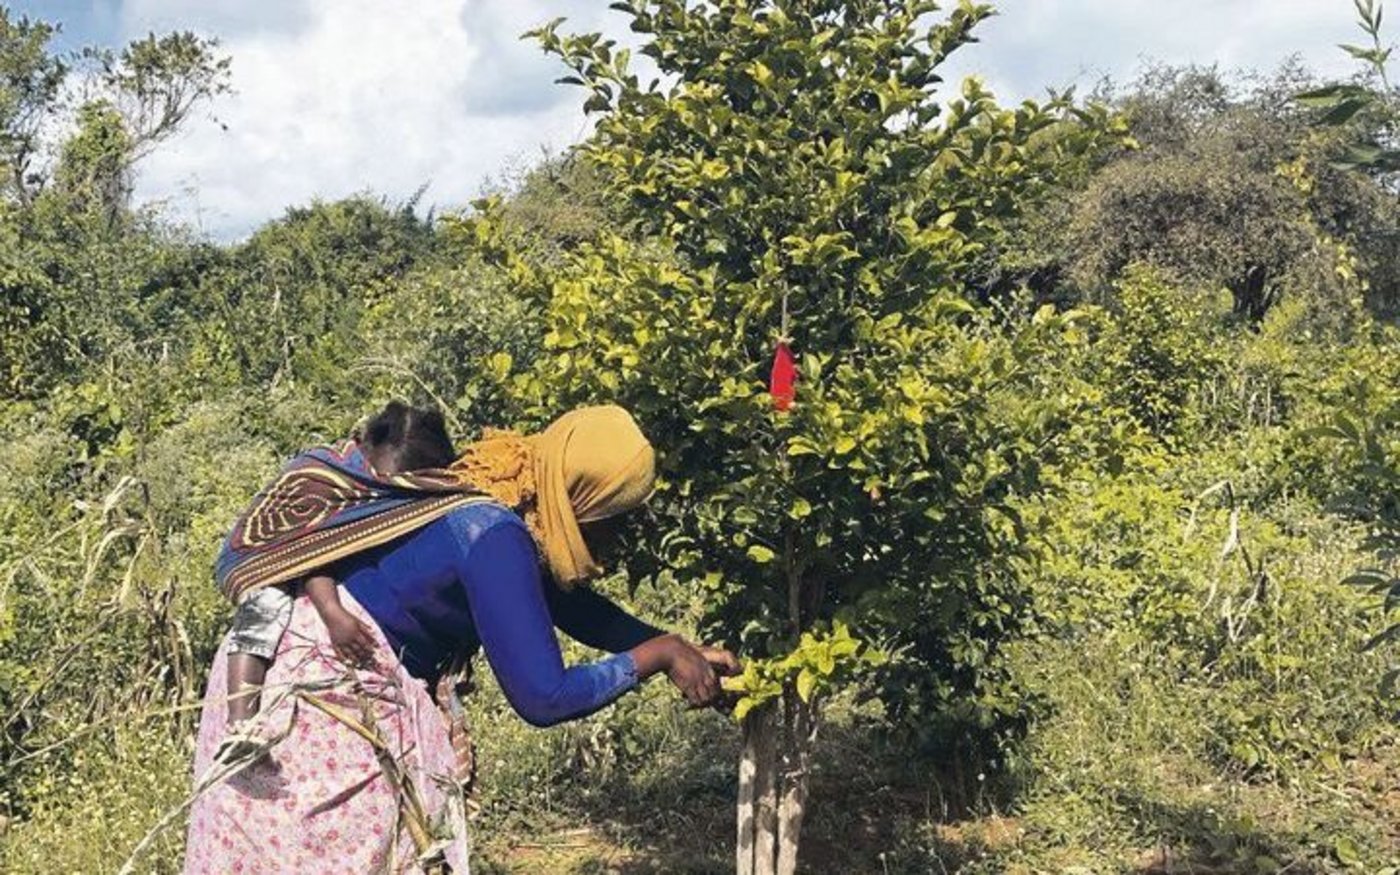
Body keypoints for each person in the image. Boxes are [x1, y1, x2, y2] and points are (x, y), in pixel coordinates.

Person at [184, 402, 736, 874]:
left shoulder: (502, 497)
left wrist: (673, 647)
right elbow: (544, 697)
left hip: (320, 675)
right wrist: (656, 655)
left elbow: (568, 606)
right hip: (321, 703)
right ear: (579, 498)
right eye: (615, 517)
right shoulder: (494, 533)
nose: (621, 535)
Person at [221, 402, 456, 748]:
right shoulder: (326, 473)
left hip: (309, 557)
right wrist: (331, 612)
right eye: (386, 478)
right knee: (264, 610)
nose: (386, 486)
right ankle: (240, 722)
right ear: (371, 449)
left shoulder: (378, 493)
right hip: (269, 554)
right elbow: (313, 548)